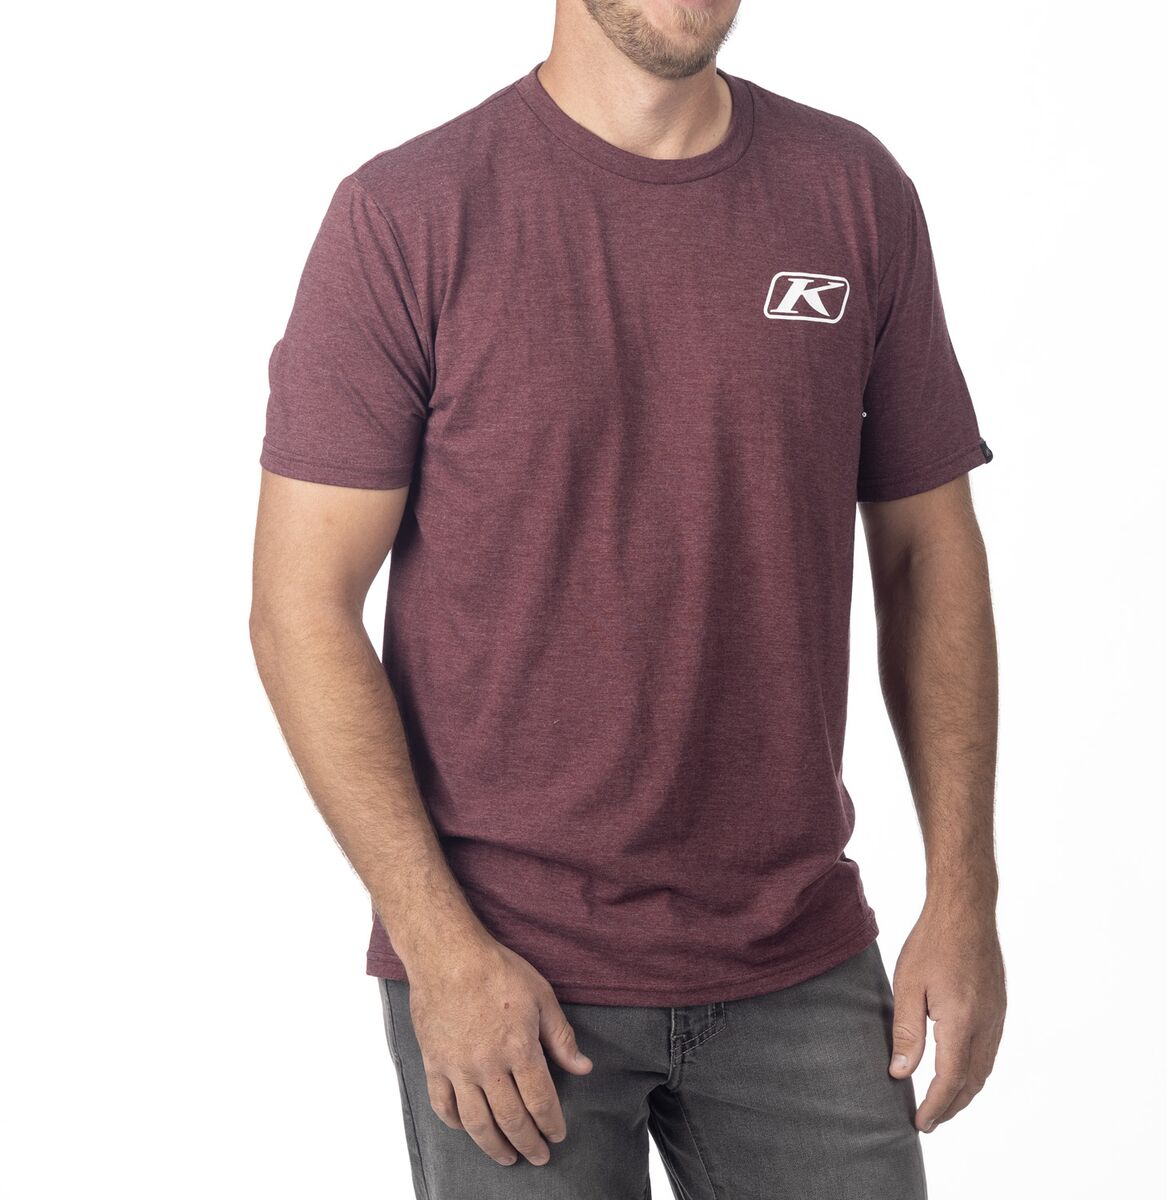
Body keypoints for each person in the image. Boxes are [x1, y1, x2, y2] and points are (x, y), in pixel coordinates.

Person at [249, 1, 1007, 1195]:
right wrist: (441, 949)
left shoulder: (850, 193)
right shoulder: (409, 215)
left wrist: (965, 896)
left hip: (798, 956)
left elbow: (928, 553)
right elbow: (300, 609)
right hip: (509, 975)